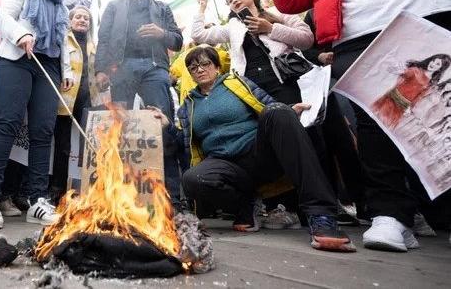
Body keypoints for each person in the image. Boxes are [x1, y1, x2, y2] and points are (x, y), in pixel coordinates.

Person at [270, 0, 451, 251]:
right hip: (363, 41)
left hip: (427, 23)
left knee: (442, 114)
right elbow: (291, 1)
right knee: (378, 126)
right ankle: (391, 216)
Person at [152, 46, 355, 252]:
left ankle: (321, 214)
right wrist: (168, 124)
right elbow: (184, 143)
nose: (200, 70)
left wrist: (287, 111)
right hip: (225, 165)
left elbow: (268, 104)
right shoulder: (187, 106)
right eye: (194, 67)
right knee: (192, 179)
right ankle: (245, 205)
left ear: (216, 66)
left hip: (258, 152)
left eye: (205, 64)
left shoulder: (237, 83)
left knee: (277, 111)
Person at [0, 0, 73, 229]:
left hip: (48, 68)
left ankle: (37, 200)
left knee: (43, 132)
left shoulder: (62, 7)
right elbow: (2, 16)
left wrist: (67, 72)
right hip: (16, 59)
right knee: (7, 124)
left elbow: (63, 42)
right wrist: (22, 34)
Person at [94, 0, 184, 208]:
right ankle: (117, 194)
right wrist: (101, 70)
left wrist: (161, 33)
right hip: (121, 70)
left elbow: (178, 41)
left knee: (161, 126)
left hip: (154, 69)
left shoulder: (162, 8)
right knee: (119, 128)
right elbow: (103, 39)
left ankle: (172, 199)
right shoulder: (114, 6)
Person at [192, 0, 313, 105]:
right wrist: (202, 7)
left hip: (285, 82)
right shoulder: (232, 27)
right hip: (252, 91)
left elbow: (307, 39)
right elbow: (198, 34)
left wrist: (271, 28)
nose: (234, 0)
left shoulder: (278, 12)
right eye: (230, 0)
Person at [51, 5, 97, 200]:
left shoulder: (94, 45)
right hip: (67, 97)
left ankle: (91, 190)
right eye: (78, 17)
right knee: (62, 145)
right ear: (70, 21)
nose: (82, 20)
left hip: (88, 99)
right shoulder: (64, 39)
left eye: (86, 18)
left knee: (91, 144)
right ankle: (57, 191)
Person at [372, 54, 451, 129]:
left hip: (402, 107)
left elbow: (419, 97)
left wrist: (410, 108)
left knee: (385, 126)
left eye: (437, 64)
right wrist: (397, 69)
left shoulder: (431, 83)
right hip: (390, 100)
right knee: (375, 121)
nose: (432, 64)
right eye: (433, 60)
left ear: (440, 68)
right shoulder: (416, 71)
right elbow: (404, 72)